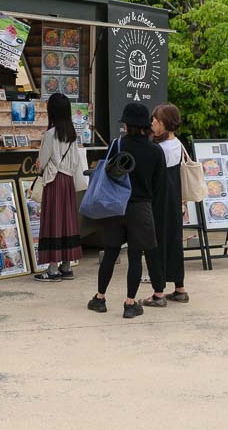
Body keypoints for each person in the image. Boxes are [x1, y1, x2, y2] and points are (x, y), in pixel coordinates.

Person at [88, 103, 166, 319]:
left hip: (116, 206)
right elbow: (159, 187)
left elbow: (107, 171)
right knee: (135, 256)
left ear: (128, 125)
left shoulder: (118, 144)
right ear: (145, 125)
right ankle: (130, 304)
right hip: (141, 209)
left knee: (110, 254)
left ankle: (100, 298)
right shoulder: (156, 151)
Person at [33, 93, 88, 281]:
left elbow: (42, 162)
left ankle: (52, 268)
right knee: (67, 221)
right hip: (68, 181)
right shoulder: (72, 134)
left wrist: (37, 166)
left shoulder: (50, 134)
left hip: (54, 181)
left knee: (53, 221)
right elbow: (75, 160)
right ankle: (66, 266)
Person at [141, 103, 189, 307]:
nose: (152, 123)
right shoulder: (178, 144)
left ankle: (158, 293)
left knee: (155, 246)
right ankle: (179, 289)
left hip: (158, 204)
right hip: (175, 202)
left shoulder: (158, 149)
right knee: (174, 243)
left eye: (155, 120)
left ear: (164, 123)